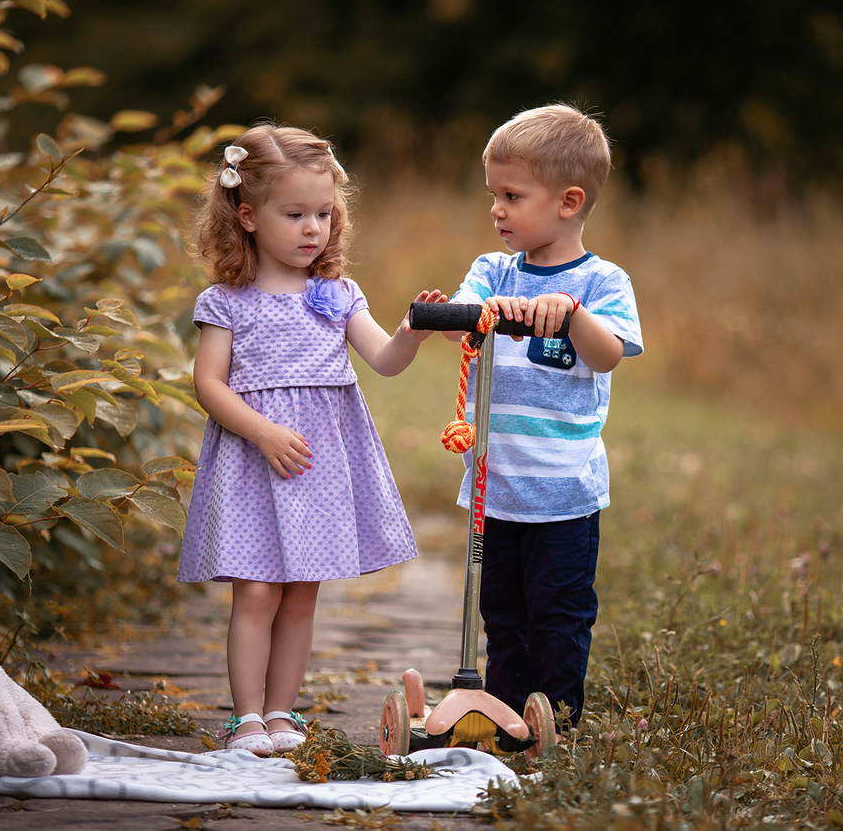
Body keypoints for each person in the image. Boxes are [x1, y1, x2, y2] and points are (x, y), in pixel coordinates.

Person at [178, 124, 446, 756]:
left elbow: (383, 359)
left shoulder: (336, 294)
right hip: (255, 459)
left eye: (323, 214)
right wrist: (262, 430)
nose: (311, 229)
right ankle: (245, 718)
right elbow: (208, 384)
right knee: (257, 591)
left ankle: (281, 713)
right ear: (247, 215)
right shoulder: (228, 301)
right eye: (294, 213)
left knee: (302, 596)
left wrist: (412, 330)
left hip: (318, 468)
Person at [445, 104, 643, 730]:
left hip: (564, 493)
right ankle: (506, 717)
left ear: (568, 201)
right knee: (500, 614)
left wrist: (571, 315)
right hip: (493, 488)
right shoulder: (492, 270)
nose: (497, 210)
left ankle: (557, 718)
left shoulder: (603, 282)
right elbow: (461, 319)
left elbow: (608, 353)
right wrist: (473, 312)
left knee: (557, 614)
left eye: (512, 195)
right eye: (492, 196)